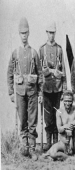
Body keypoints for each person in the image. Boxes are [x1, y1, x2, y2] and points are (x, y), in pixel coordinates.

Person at [7, 17, 43, 160]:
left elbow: (40, 74)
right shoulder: (15, 53)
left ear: (29, 33)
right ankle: (24, 148)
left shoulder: (34, 53)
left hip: (33, 92)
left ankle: (33, 148)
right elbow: (9, 73)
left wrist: (40, 92)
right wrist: (11, 93)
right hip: (20, 92)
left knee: (32, 121)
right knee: (22, 119)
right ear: (19, 34)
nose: (24, 36)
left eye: (26, 33)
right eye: (21, 33)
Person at [39, 21, 67, 151]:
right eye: (49, 32)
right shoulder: (42, 49)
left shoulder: (59, 49)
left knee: (58, 114)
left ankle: (57, 143)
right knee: (48, 116)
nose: (51, 35)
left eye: (53, 33)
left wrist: (65, 89)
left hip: (58, 88)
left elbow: (64, 70)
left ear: (55, 33)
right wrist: (39, 91)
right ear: (46, 33)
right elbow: (39, 72)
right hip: (46, 88)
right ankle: (49, 143)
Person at [43, 90, 75, 160]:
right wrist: (66, 126)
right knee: (52, 153)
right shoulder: (59, 111)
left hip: (73, 142)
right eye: (66, 101)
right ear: (63, 101)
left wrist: (72, 124)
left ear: (72, 101)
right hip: (63, 142)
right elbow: (59, 129)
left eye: (69, 101)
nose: (67, 103)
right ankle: (68, 158)